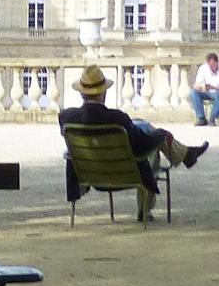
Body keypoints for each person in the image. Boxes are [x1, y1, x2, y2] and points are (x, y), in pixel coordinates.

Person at [60, 65, 209, 221]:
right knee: (152, 150)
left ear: (81, 93)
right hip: (125, 175)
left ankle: (186, 154)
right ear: (104, 92)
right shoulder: (118, 118)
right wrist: (160, 134)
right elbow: (141, 144)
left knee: (149, 136)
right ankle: (145, 209)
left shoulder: (66, 118)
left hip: (90, 174)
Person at [190, 52, 219, 126]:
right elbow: (197, 84)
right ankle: (201, 118)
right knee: (193, 92)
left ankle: (212, 119)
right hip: (206, 91)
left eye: (213, 65)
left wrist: (214, 87)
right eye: (210, 65)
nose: (211, 67)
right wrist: (203, 87)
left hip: (217, 92)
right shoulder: (203, 68)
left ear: (217, 62)